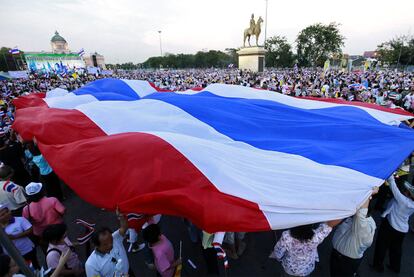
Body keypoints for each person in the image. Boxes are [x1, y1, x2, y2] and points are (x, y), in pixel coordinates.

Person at [330, 187, 378, 276]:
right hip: (337, 256)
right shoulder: (355, 218)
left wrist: (369, 193)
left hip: (345, 262)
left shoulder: (365, 226)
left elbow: (361, 214)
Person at [270, 219, 342, 277]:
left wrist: (277, 257)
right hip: (306, 269)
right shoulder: (315, 237)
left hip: (289, 268)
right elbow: (329, 225)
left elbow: (278, 251)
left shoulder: (286, 235)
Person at [372, 175, 414, 273]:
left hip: (390, 225)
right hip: (402, 230)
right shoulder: (410, 204)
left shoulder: (403, 201)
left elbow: (393, 187)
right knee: (396, 249)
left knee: (381, 245)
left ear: (409, 195)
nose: (405, 191)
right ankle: (395, 267)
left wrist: (391, 175)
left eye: (407, 191)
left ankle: (378, 266)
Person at [85, 209, 131, 277]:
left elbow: (124, 228)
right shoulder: (91, 264)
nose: (111, 245)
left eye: (111, 240)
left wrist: (121, 217)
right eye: (105, 244)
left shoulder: (115, 237)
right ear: (96, 245)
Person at [0, 204, 39, 270]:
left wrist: (15, 236)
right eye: (2, 215)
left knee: (35, 268)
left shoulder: (19, 220)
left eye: (7, 212)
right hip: (11, 256)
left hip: (27, 250)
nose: (6, 214)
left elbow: (30, 230)